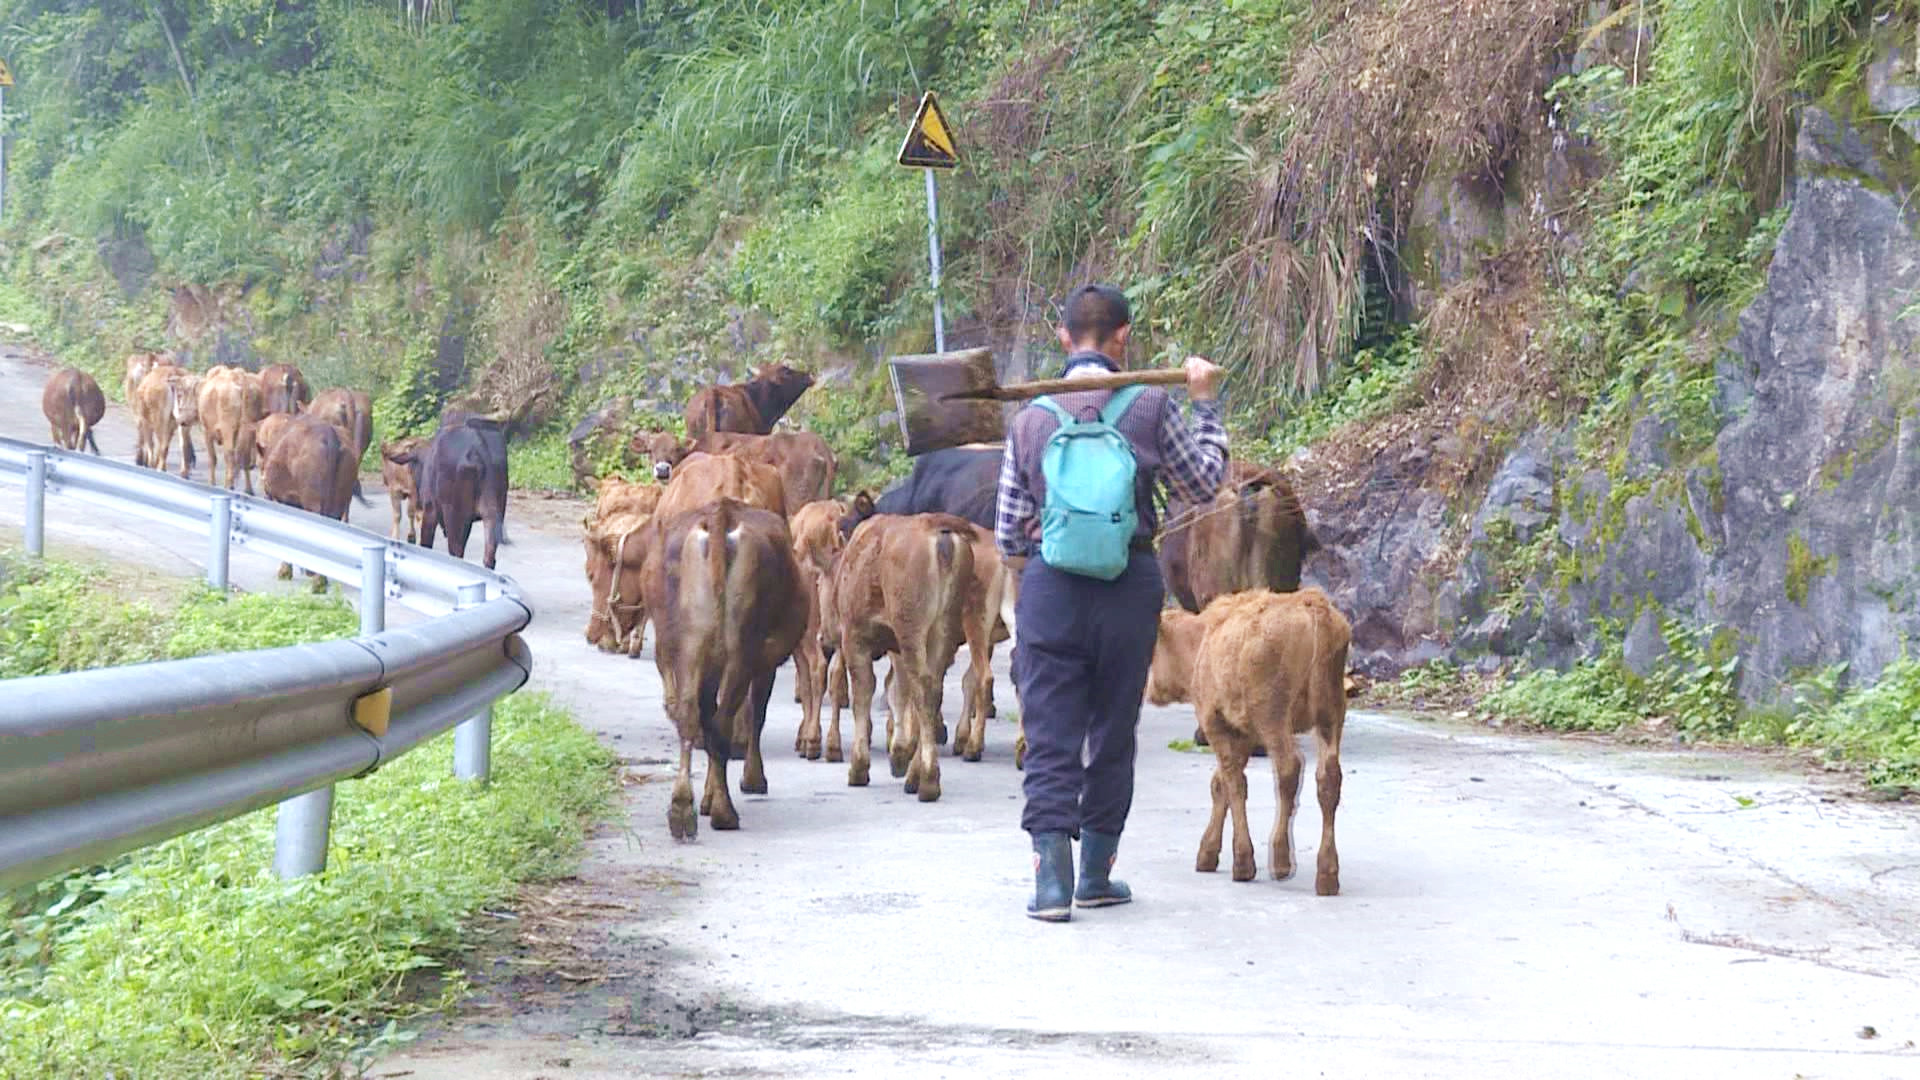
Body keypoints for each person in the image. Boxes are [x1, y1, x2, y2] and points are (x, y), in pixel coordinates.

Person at [994, 282, 1227, 922]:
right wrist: (1205, 404)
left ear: (1064, 339)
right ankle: (1096, 874)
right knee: (1112, 732)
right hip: (1128, 588)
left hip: (1051, 590)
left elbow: (1010, 531)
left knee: (1049, 734)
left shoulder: (1032, 417)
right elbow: (1205, 485)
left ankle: (1049, 886)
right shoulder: (1150, 405)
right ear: (1125, 336)